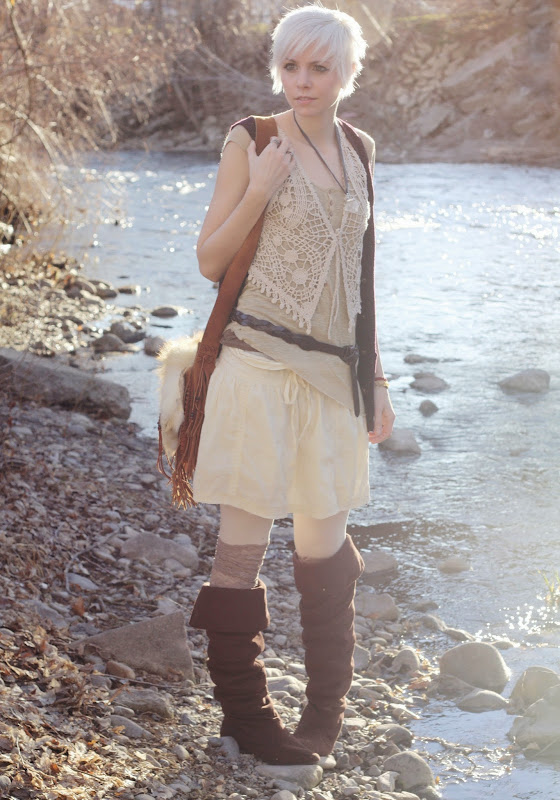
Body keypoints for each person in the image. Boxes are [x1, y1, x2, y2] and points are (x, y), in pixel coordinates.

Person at [188, 3, 395, 766]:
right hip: (257, 365)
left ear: (348, 74)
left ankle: (323, 715)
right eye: (290, 66)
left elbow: (359, 280)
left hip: (334, 375)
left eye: (320, 67)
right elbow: (210, 262)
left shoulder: (360, 149)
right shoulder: (252, 140)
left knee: (324, 548)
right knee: (242, 545)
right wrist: (259, 189)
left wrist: (376, 376)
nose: (302, 81)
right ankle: (247, 716)